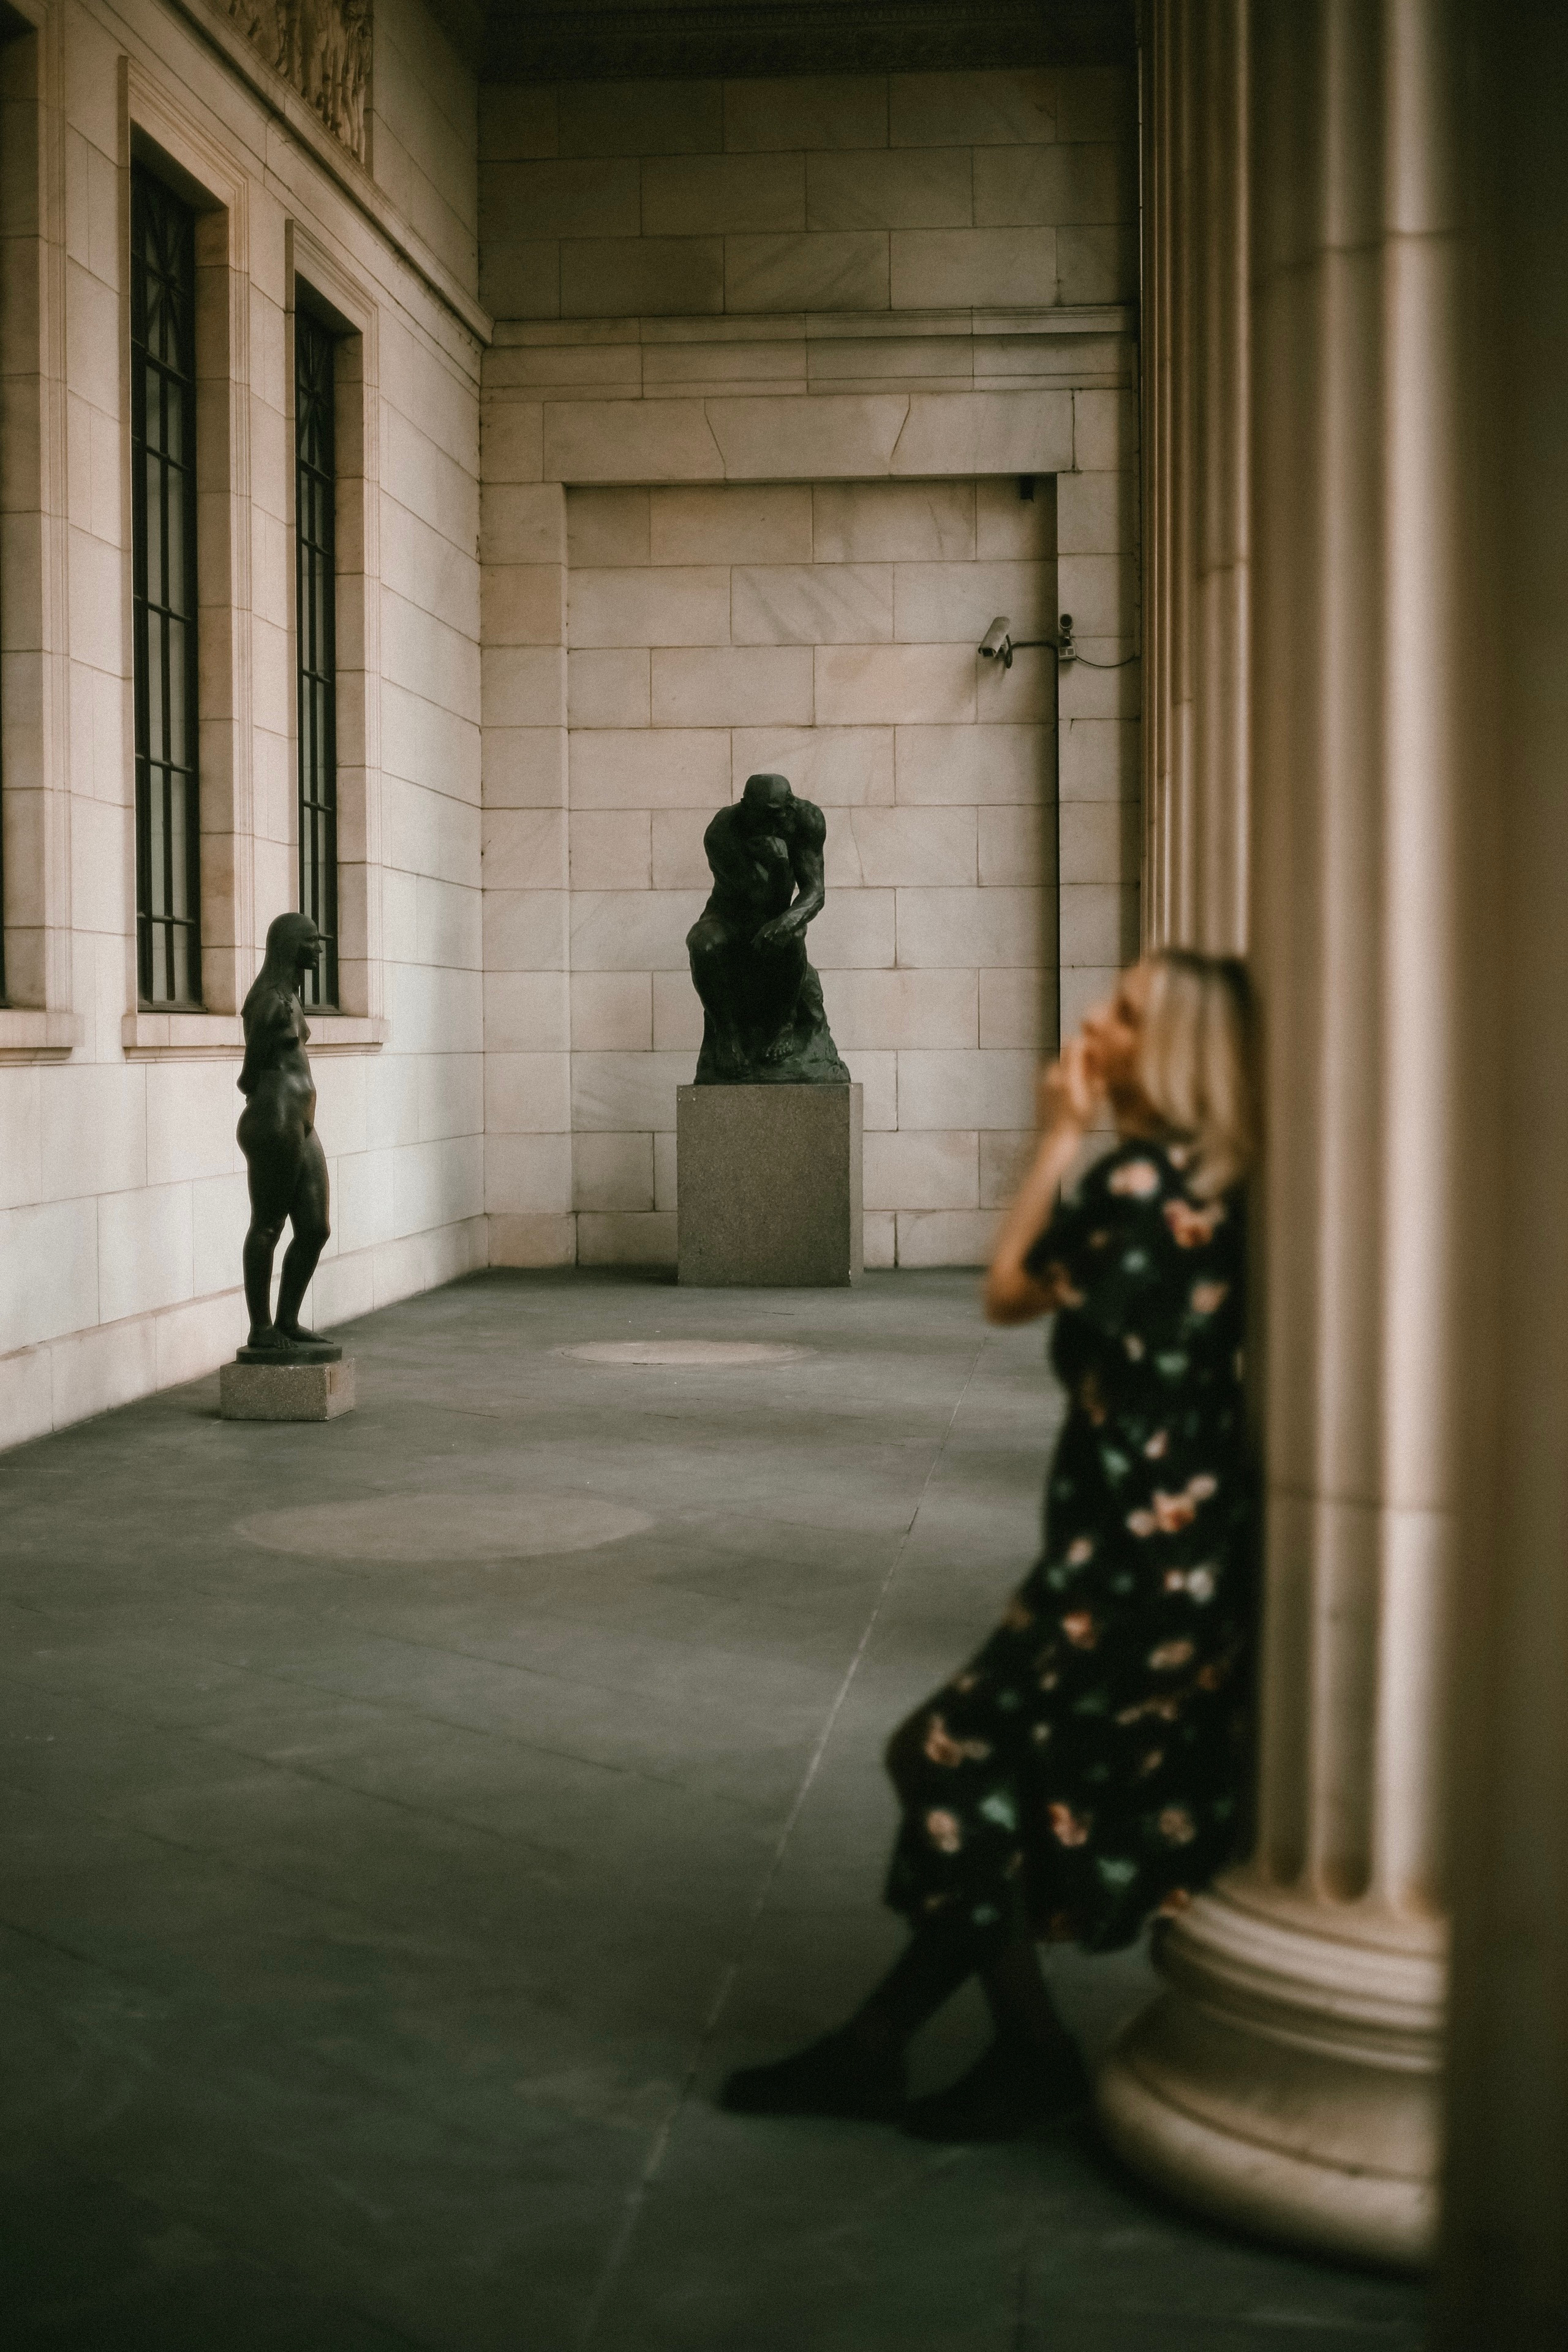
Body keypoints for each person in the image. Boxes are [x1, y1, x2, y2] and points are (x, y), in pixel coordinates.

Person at [722, 951, 1257, 2141]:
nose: (1091, 1023)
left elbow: (1011, 1287)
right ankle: (885, 2044)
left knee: (943, 1763)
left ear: (1171, 1050)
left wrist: (1058, 1132)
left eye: (1120, 1014)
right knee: (998, 1790)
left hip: (1121, 1574)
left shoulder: (1136, 1190)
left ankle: (1023, 2052)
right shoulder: (1229, 1196)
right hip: (1183, 1568)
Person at [685, 771, 848, 1084]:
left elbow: (815, 891)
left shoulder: (807, 819)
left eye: (786, 809)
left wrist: (789, 920)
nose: (781, 820)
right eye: (771, 815)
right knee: (701, 943)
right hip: (729, 916)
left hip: (774, 912)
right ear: (747, 808)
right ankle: (728, 1036)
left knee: (792, 935)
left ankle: (785, 1027)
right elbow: (757, 901)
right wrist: (777, 867)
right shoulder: (722, 832)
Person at [236, 911, 335, 1355]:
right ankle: (261, 1328)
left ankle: (288, 1321)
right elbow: (249, 1073)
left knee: (315, 1229)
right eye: (311, 941)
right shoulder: (269, 1001)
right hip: (275, 1120)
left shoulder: (290, 997)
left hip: (299, 1120)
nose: (319, 948)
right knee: (269, 1226)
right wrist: (271, 1104)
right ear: (290, 946)